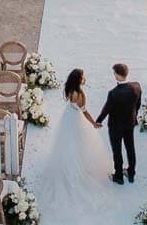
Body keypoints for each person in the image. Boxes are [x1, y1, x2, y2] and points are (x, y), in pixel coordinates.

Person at [33, 68, 114, 209]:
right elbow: (85, 112)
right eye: (83, 77)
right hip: (76, 119)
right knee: (80, 144)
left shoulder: (70, 90)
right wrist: (94, 123)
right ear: (79, 79)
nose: (85, 78)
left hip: (68, 116)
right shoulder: (80, 94)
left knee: (67, 143)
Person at [95, 63, 142, 184]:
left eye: (114, 73)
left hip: (115, 126)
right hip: (130, 123)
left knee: (117, 151)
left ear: (117, 75)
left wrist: (98, 121)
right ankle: (131, 173)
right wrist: (134, 115)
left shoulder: (113, 93)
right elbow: (138, 104)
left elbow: (106, 110)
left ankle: (119, 176)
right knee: (130, 148)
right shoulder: (137, 86)